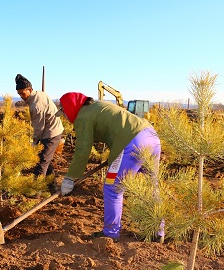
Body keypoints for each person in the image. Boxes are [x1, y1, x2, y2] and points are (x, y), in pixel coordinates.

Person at [57, 92, 162, 242]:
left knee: (113, 188)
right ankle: (157, 231)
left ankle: (110, 232)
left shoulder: (83, 117)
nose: (65, 118)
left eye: (64, 113)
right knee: (150, 187)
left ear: (70, 108)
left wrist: (70, 178)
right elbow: (114, 127)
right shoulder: (98, 106)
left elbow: (82, 150)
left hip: (132, 142)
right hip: (151, 136)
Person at [15, 74, 64, 181]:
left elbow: (39, 127)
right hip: (50, 129)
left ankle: (36, 191)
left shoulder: (36, 105)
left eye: (23, 93)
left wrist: (34, 143)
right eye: (19, 94)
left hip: (51, 133)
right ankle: (53, 187)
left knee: (41, 163)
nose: (21, 96)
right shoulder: (38, 94)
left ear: (29, 89)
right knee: (45, 159)